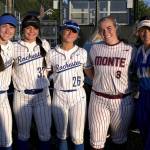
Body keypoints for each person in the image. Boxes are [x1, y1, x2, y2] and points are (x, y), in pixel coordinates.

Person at [88, 15, 136, 150]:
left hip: (122, 101)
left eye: (109, 28)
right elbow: (88, 68)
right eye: (102, 30)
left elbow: (137, 73)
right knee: (96, 142)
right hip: (99, 98)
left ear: (116, 28)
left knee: (119, 140)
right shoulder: (94, 48)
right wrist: (98, 80)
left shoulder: (131, 49)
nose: (106, 32)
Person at [46, 20, 93, 150]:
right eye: (67, 29)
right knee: (61, 135)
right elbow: (46, 73)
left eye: (74, 31)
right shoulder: (51, 53)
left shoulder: (83, 52)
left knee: (77, 136)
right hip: (59, 95)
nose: (70, 33)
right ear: (61, 32)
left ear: (77, 35)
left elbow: (90, 73)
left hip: (78, 95)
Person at [12, 15, 52, 150]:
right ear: (22, 29)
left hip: (42, 96)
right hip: (22, 96)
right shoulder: (14, 47)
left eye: (35, 28)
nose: (32, 31)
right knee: (23, 135)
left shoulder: (45, 44)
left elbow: (50, 67)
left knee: (45, 135)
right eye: (28, 28)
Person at [0, 13, 17, 150]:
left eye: (11, 27)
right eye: (4, 26)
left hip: (4, 96)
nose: (7, 30)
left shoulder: (13, 47)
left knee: (7, 139)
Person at [135, 15, 150, 150]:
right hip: (142, 96)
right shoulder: (138, 51)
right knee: (143, 128)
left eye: (149, 30)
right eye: (143, 30)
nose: (146, 33)